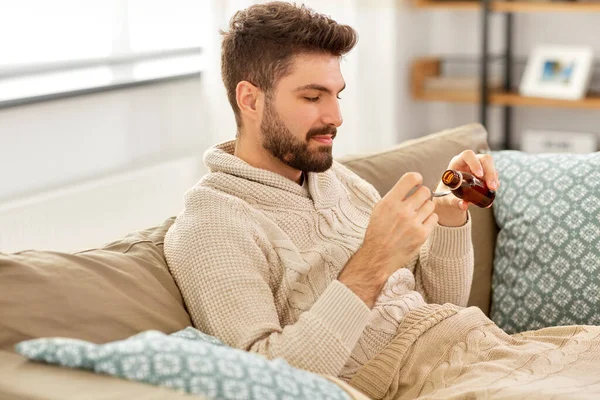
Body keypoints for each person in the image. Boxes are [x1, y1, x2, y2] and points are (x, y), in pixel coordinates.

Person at [165, 2, 600, 398]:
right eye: (312, 96)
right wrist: (372, 261)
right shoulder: (212, 224)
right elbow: (267, 380)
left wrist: (448, 217)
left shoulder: (340, 182)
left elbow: (439, 303)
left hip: (490, 348)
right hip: (439, 385)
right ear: (250, 99)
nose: (335, 116)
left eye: (337, 95)